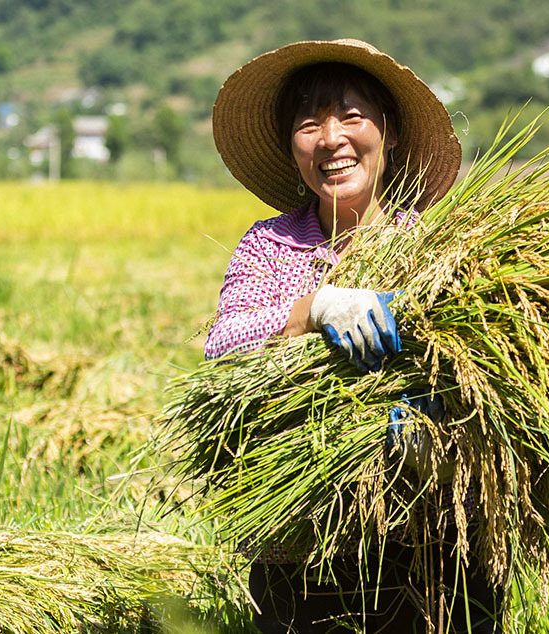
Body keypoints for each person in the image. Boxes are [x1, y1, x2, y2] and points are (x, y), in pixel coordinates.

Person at [206, 39, 502, 633]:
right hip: (302, 541)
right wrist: (315, 307)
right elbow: (223, 344)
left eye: (351, 116)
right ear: (292, 147)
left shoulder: (439, 251)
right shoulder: (270, 245)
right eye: (309, 123)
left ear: (388, 134)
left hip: (434, 537)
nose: (330, 138)